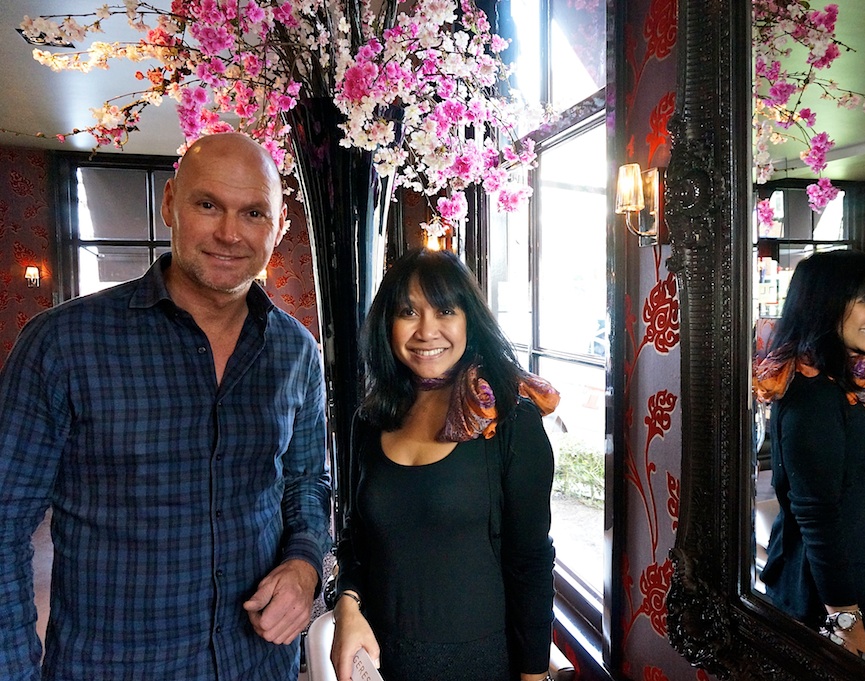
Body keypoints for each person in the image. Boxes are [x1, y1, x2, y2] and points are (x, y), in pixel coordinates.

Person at [0, 132, 332, 680]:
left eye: (253, 213)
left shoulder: (296, 351)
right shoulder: (63, 344)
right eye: (208, 205)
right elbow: (6, 524)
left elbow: (306, 483)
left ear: (278, 228)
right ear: (171, 203)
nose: (229, 233)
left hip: (256, 662)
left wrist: (304, 563)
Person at [329, 248, 560, 681]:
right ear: (387, 323)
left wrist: (533, 676)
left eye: (445, 311)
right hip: (378, 658)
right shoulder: (371, 418)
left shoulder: (509, 419)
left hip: (477, 663)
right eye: (408, 312)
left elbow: (531, 561)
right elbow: (356, 537)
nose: (426, 330)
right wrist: (347, 602)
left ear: (470, 320)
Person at [754, 249, 865, 663]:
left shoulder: (839, 383)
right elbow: (817, 515)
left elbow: (846, 481)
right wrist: (846, 620)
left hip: (852, 579)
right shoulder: (813, 396)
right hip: (825, 593)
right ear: (824, 305)